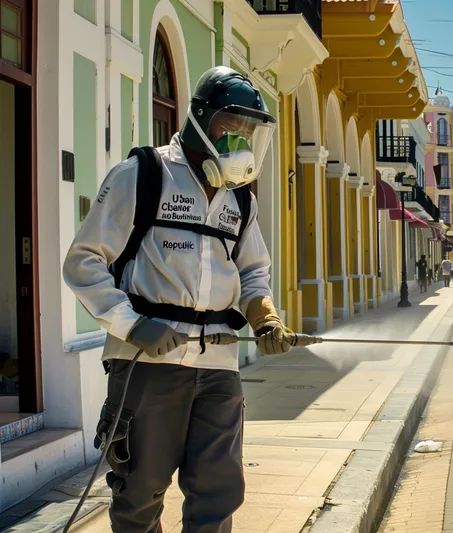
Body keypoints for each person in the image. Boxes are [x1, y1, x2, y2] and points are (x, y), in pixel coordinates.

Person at [63, 66, 292, 533]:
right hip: (147, 365)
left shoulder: (240, 201)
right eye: (232, 127)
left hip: (219, 370)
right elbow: (83, 262)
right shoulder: (143, 174)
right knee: (139, 497)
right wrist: (131, 325)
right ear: (201, 121)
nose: (241, 140)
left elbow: (253, 272)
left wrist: (266, 317)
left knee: (218, 494)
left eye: (249, 131)